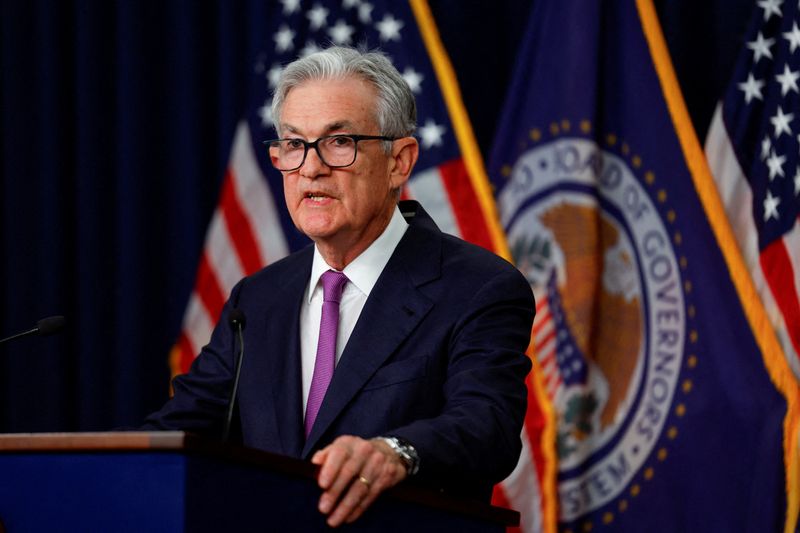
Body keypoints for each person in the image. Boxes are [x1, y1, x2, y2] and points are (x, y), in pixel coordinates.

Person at [143, 46, 534, 528]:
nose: (310, 168)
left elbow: (486, 428)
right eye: (293, 144)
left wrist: (396, 451)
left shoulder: (478, 288)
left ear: (400, 161)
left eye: (339, 141)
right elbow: (181, 433)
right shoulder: (258, 299)